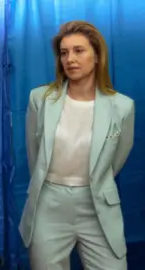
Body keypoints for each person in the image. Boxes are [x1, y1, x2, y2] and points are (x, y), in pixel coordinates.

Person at [19, 21, 134, 270]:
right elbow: (34, 155)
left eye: (79, 51)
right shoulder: (40, 99)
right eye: (64, 52)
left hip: (98, 206)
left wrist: (93, 183)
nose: (70, 59)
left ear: (97, 56)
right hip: (49, 205)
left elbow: (115, 161)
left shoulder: (123, 106)